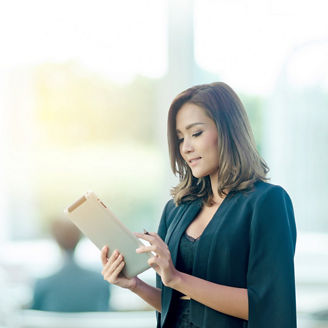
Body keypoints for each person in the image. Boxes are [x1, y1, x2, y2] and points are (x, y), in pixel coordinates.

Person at [100, 82, 297, 327]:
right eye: (180, 138)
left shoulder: (267, 202)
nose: (186, 148)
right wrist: (135, 285)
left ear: (228, 131)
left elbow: (268, 306)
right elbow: (177, 305)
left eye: (196, 133)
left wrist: (176, 278)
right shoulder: (177, 208)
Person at [31, 219, 110, 312]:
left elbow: (35, 316)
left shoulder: (42, 284)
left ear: (56, 240)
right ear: (79, 238)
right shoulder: (101, 282)